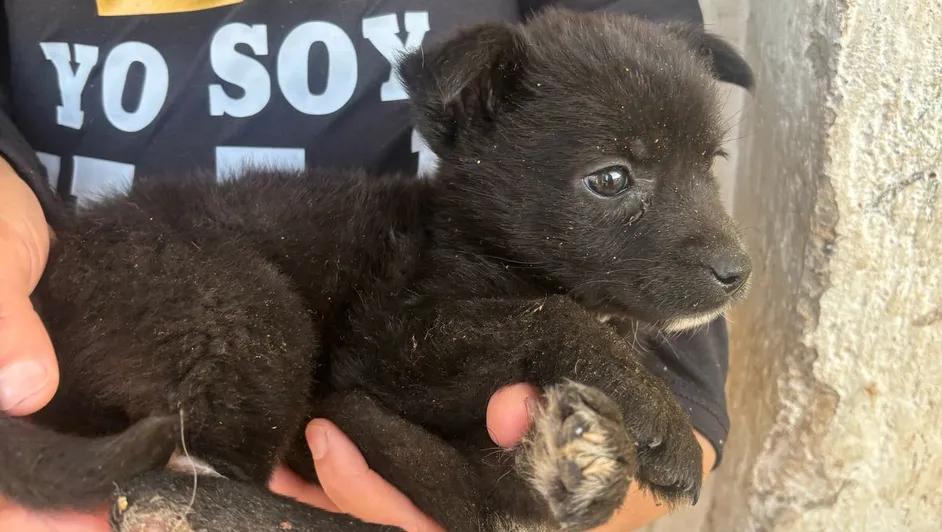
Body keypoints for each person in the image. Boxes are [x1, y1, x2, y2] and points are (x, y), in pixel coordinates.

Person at [0, 1, 734, 530]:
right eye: (611, 180)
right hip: (140, 296)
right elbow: (401, 370)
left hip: (277, 389)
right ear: (468, 114)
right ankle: (210, 486)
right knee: (260, 344)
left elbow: (365, 420)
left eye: (709, 164)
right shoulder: (456, 268)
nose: (724, 244)